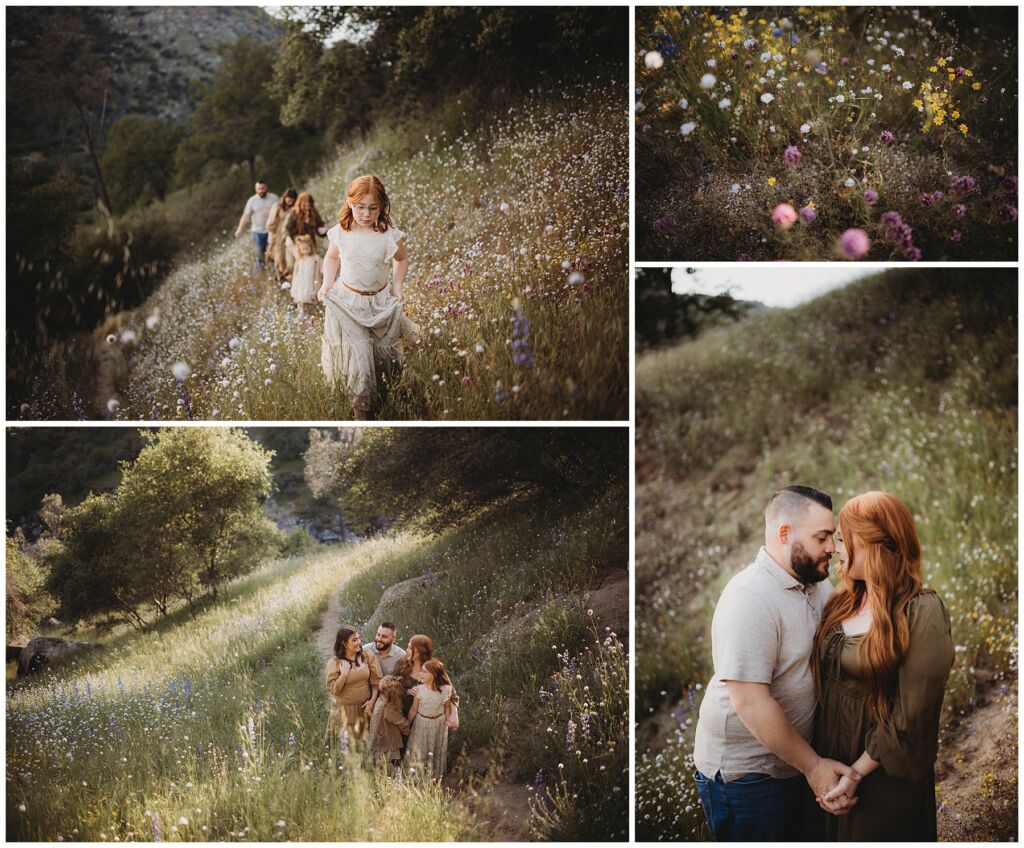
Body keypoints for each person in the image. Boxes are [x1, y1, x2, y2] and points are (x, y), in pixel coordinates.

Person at [693, 485, 854, 841]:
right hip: (748, 778)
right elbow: (749, 701)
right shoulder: (750, 598)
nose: (832, 547)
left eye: (833, 536)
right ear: (785, 534)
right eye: (822, 537)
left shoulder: (815, 583)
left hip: (792, 761)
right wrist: (813, 767)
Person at [810, 491, 954, 840]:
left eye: (844, 539)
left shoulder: (921, 612)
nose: (836, 548)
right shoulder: (843, 600)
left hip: (880, 778)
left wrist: (856, 774)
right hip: (831, 769)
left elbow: (912, 714)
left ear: (872, 544)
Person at [318, 174, 409, 420]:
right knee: (359, 363)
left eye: (372, 208)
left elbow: (401, 259)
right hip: (349, 303)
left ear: (382, 207)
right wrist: (327, 283)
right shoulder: (343, 232)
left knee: (383, 359)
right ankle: (362, 418)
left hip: (379, 303)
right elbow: (331, 258)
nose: (366, 214)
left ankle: (389, 405)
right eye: (360, 208)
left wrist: (397, 287)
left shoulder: (388, 235)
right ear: (349, 204)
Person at [325, 625, 382, 745]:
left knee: (364, 745)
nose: (359, 642)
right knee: (346, 747)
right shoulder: (335, 662)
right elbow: (332, 690)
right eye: (354, 640)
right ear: (345, 643)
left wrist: (372, 701)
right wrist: (343, 675)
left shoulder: (367, 656)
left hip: (365, 708)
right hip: (344, 711)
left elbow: (376, 682)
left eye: (359, 639)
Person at [406, 659, 454, 780]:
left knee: (435, 749)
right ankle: (417, 776)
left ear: (434, 675)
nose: (420, 674)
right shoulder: (419, 689)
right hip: (422, 722)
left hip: (439, 723)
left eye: (424, 672)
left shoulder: (446, 689)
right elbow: (413, 709)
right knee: (420, 749)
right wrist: (407, 725)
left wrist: (448, 719)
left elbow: (447, 707)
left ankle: (434, 776)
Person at [234, 180, 279, 271]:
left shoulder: (274, 198)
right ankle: (260, 272)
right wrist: (239, 228)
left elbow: (280, 211)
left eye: (263, 188)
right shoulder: (252, 200)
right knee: (260, 253)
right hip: (258, 231)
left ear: (266, 188)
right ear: (256, 189)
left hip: (272, 230)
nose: (261, 191)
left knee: (272, 251)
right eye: (259, 189)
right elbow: (246, 215)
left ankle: (274, 272)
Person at [367, 674, 410, 766]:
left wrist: (406, 729)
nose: (378, 682)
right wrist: (407, 729)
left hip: (384, 737)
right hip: (384, 737)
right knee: (385, 758)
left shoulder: (384, 703)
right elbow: (400, 720)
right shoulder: (385, 703)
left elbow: (397, 720)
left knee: (385, 758)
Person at [267, 188, 298, 282]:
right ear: (285, 198)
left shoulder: (295, 208)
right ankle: (280, 276)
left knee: (289, 256)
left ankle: (289, 277)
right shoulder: (277, 206)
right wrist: (270, 235)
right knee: (279, 256)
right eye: (289, 200)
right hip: (278, 233)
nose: (290, 202)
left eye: (292, 200)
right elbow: (271, 221)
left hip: (289, 233)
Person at [290, 235, 322, 314]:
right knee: (300, 297)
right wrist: (293, 281)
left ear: (311, 247)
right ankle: (300, 312)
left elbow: (321, 265)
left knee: (309, 296)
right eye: (303, 249)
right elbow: (295, 271)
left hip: (310, 280)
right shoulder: (300, 259)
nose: (305, 251)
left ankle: (312, 312)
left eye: (307, 248)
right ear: (300, 250)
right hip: (300, 281)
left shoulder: (315, 258)